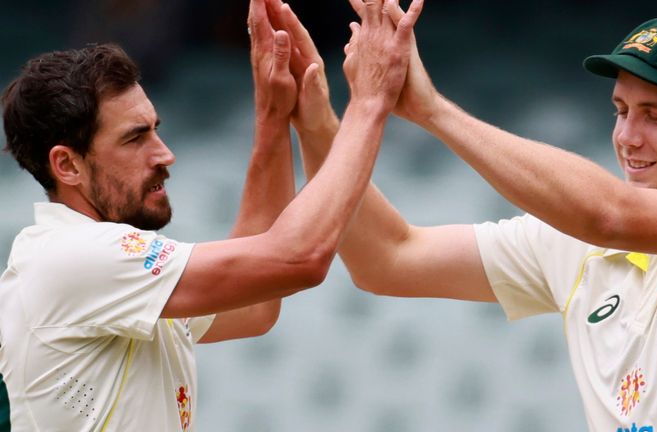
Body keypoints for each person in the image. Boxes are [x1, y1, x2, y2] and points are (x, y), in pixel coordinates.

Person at [263, 1, 657, 430]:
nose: (628, 136)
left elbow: (609, 213)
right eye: (620, 110)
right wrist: (317, 122)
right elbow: (388, 258)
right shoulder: (578, 243)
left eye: (655, 116)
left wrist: (431, 109)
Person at [0, 0, 422, 429]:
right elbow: (299, 258)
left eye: (155, 129)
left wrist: (274, 116)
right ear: (67, 165)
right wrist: (369, 103)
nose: (164, 154)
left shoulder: (95, 273)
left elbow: (252, 309)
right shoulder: (74, 257)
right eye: (134, 139)